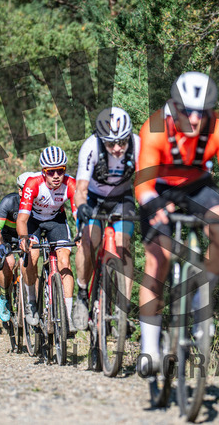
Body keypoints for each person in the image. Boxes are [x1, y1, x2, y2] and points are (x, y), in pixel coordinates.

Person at [135, 72, 219, 373]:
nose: (196, 119)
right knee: (157, 260)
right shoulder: (155, 127)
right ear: (175, 107)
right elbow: (143, 183)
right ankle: (149, 347)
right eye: (188, 111)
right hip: (159, 187)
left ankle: (202, 300)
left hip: (198, 186)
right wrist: (153, 205)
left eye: (203, 111)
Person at [72, 107, 141, 331]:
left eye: (122, 142)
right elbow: (80, 189)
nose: (118, 148)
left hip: (122, 198)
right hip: (93, 199)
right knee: (88, 241)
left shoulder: (138, 145)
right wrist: (82, 207)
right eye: (111, 144)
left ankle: (123, 309)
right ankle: (82, 294)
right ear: (102, 140)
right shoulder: (90, 147)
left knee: (123, 245)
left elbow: (147, 181)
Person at [17, 146, 77, 331]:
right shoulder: (33, 183)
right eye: (51, 172)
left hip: (55, 220)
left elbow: (80, 215)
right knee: (32, 257)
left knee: (64, 260)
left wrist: (83, 234)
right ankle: (31, 302)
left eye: (60, 170)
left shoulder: (70, 183)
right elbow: (22, 219)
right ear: (44, 172)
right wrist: (23, 238)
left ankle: (68, 315)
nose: (56, 176)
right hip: (33, 221)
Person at [0, 171, 40, 323]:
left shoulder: (38, 204)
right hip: (7, 237)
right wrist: (0, 245)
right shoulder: (8, 202)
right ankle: (5, 296)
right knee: (9, 263)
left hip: (25, 236)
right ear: (20, 191)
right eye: (26, 190)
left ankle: (35, 304)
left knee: (32, 261)